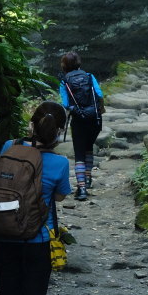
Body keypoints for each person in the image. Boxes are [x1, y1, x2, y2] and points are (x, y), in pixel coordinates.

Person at [0, 102, 71, 295]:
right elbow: (60, 198)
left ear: (31, 125)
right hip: (37, 241)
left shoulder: (8, 147)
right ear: (59, 132)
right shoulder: (60, 163)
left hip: (4, 237)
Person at [59, 51, 104, 201]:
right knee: (88, 148)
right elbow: (99, 95)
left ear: (64, 65)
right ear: (79, 63)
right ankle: (88, 178)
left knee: (79, 154)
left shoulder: (64, 81)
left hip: (79, 120)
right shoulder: (89, 76)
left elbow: (65, 104)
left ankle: (82, 188)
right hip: (95, 119)